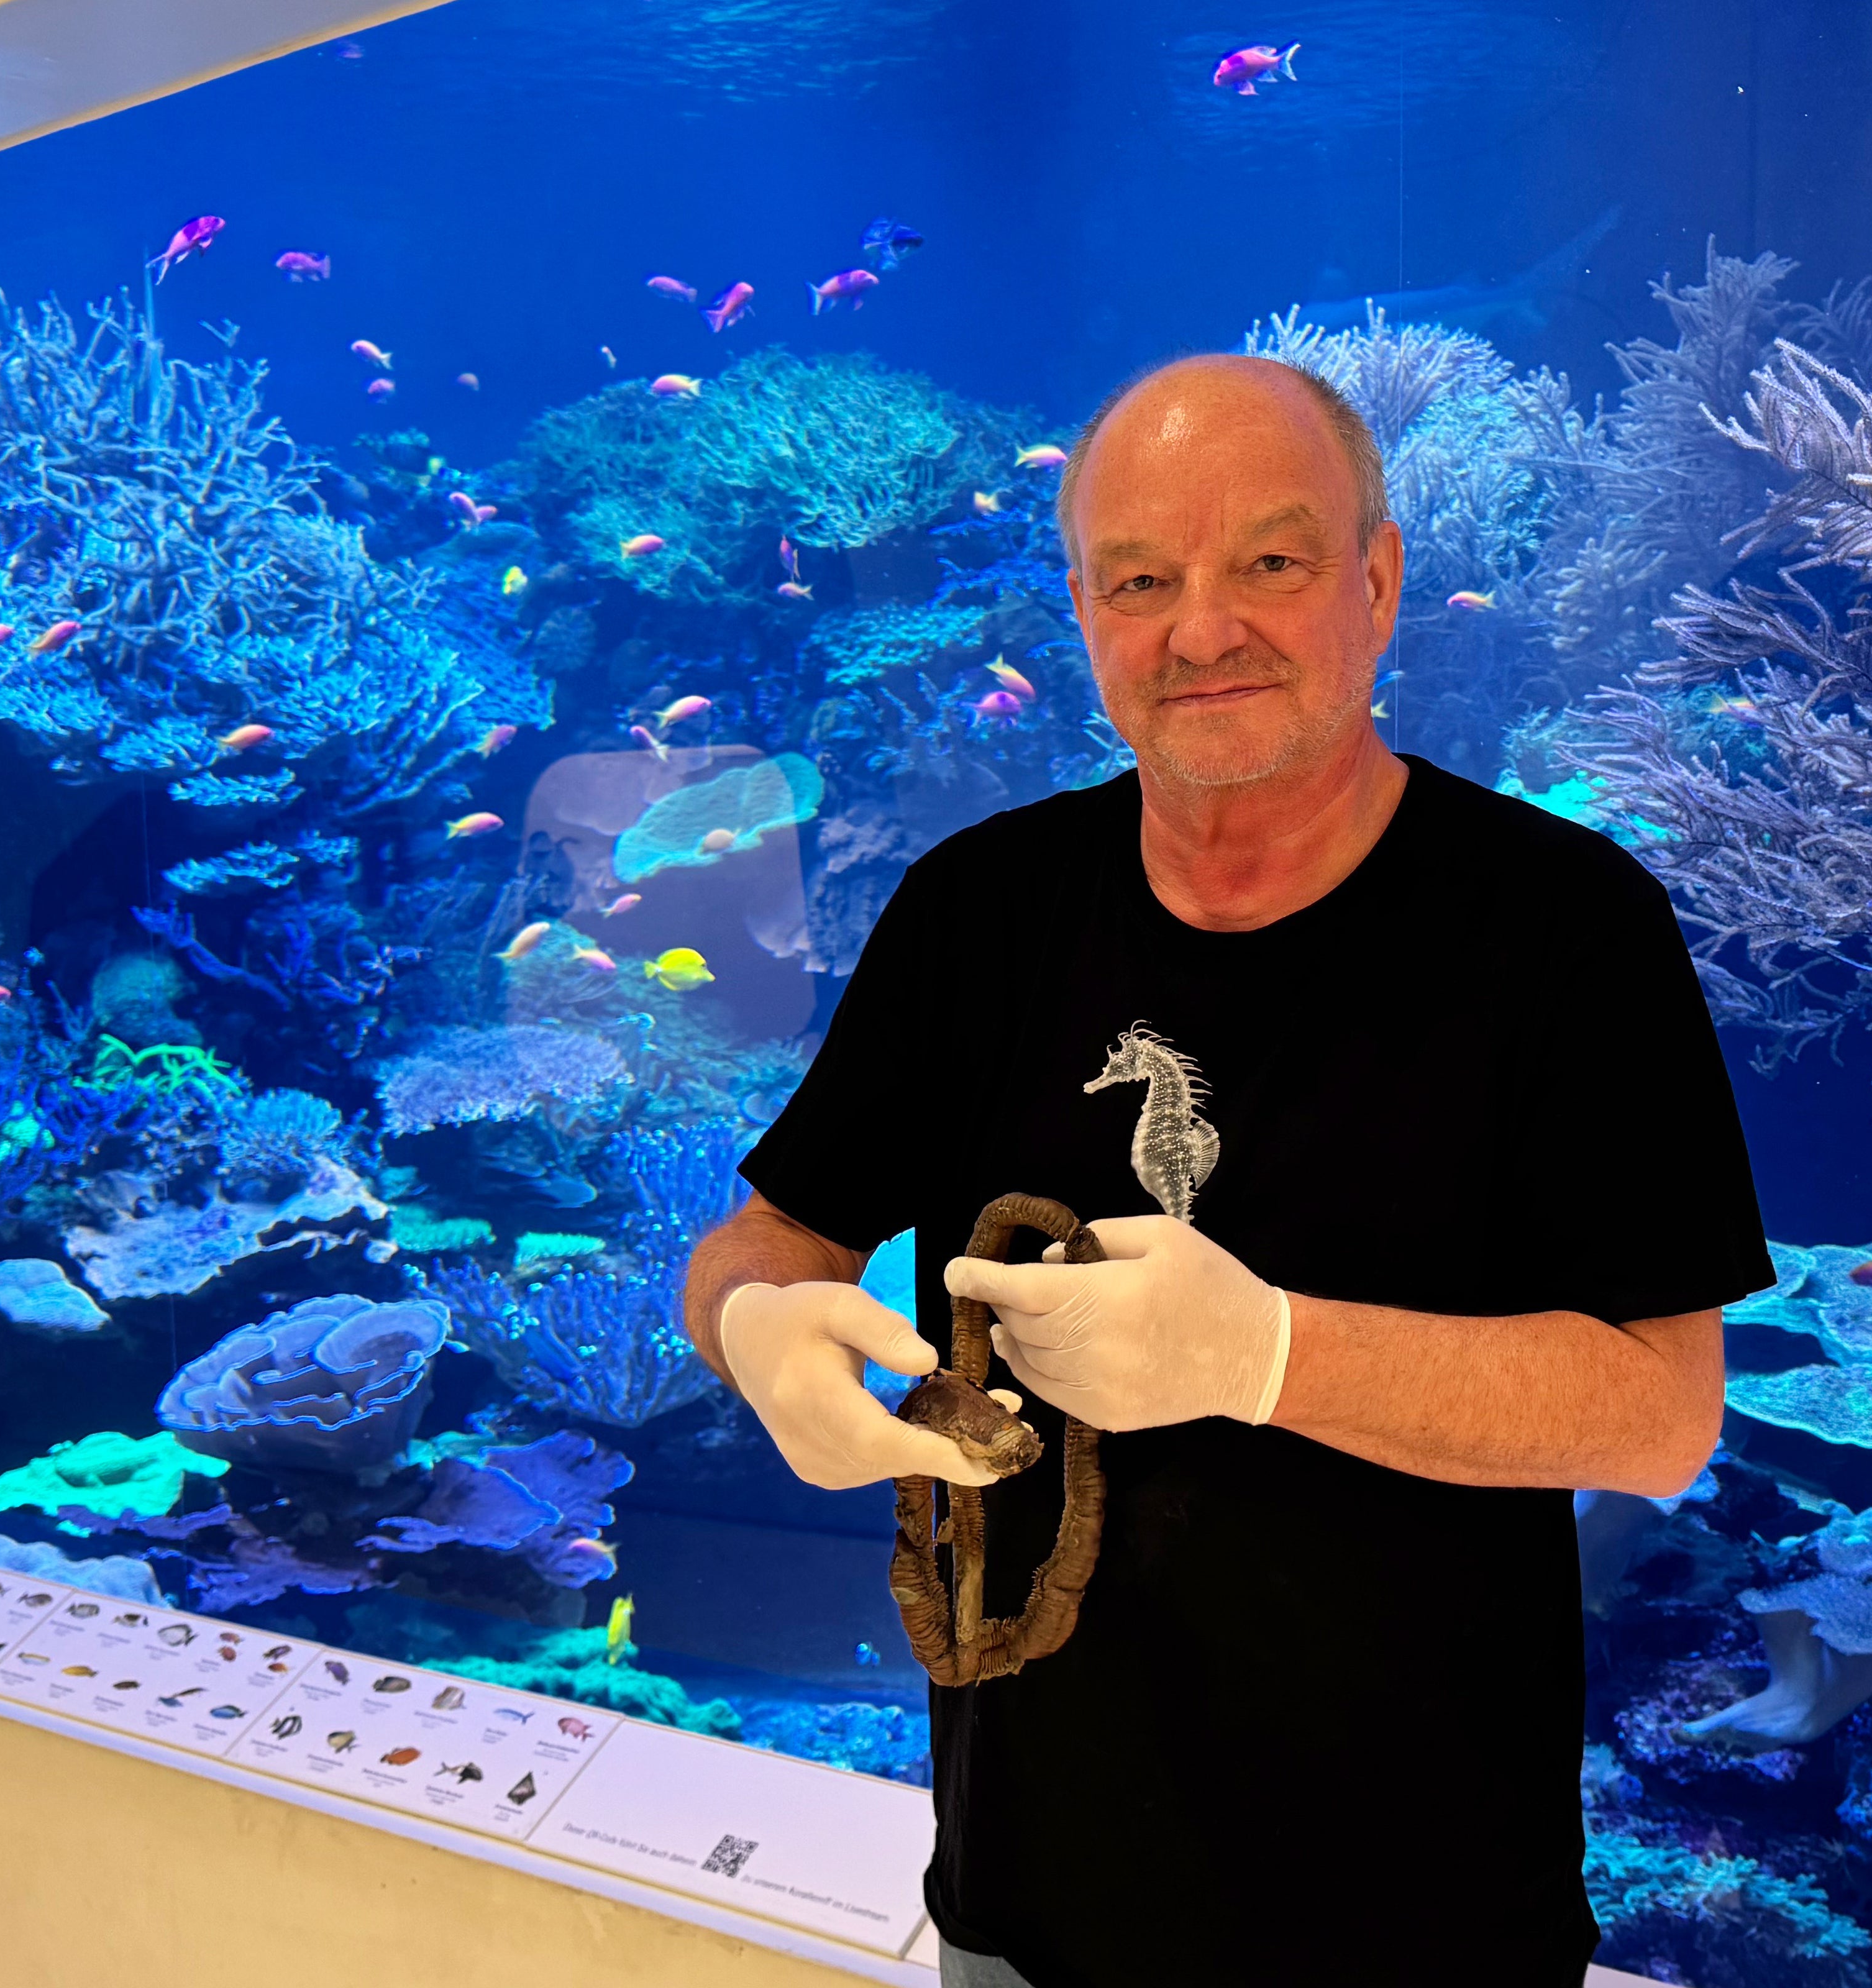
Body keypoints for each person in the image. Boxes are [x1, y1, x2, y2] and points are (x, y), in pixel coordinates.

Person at [685, 353, 1769, 1987]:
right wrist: (758, 1333)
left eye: (1268, 562)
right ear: (1083, 615)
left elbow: (1658, 1408)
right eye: (1140, 581)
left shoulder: (1564, 931)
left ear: (1376, 582)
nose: (1201, 632)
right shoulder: (975, 916)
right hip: (1018, 1919)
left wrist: (1265, 1354)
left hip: (1422, 1933)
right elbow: (768, 1237)